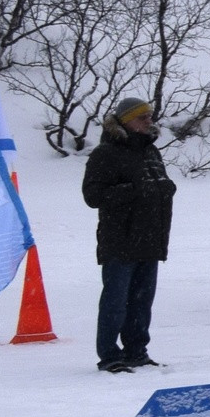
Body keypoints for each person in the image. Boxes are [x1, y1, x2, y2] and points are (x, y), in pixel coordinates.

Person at [80, 94, 173, 373]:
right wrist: (135, 192)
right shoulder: (105, 153)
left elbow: (153, 188)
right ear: (126, 121)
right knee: (115, 302)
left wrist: (163, 189)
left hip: (150, 238)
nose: (149, 121)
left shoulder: (150, 150)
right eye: (142, 117)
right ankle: (109, 355)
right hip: (119, 240)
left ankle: (136, 351)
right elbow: (93, 195)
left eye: (150, 116)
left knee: (142, 301)